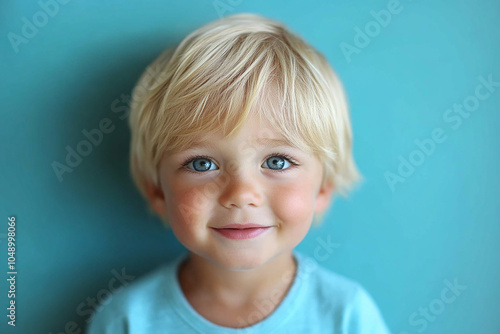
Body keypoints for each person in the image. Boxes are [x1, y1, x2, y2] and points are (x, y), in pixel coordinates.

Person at [86, 12, 391, 333]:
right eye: (202, 163)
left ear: (324, 188)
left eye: (277, 161)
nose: (242, 194)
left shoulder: (345, 314)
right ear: (157, 191)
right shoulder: (127, 320)